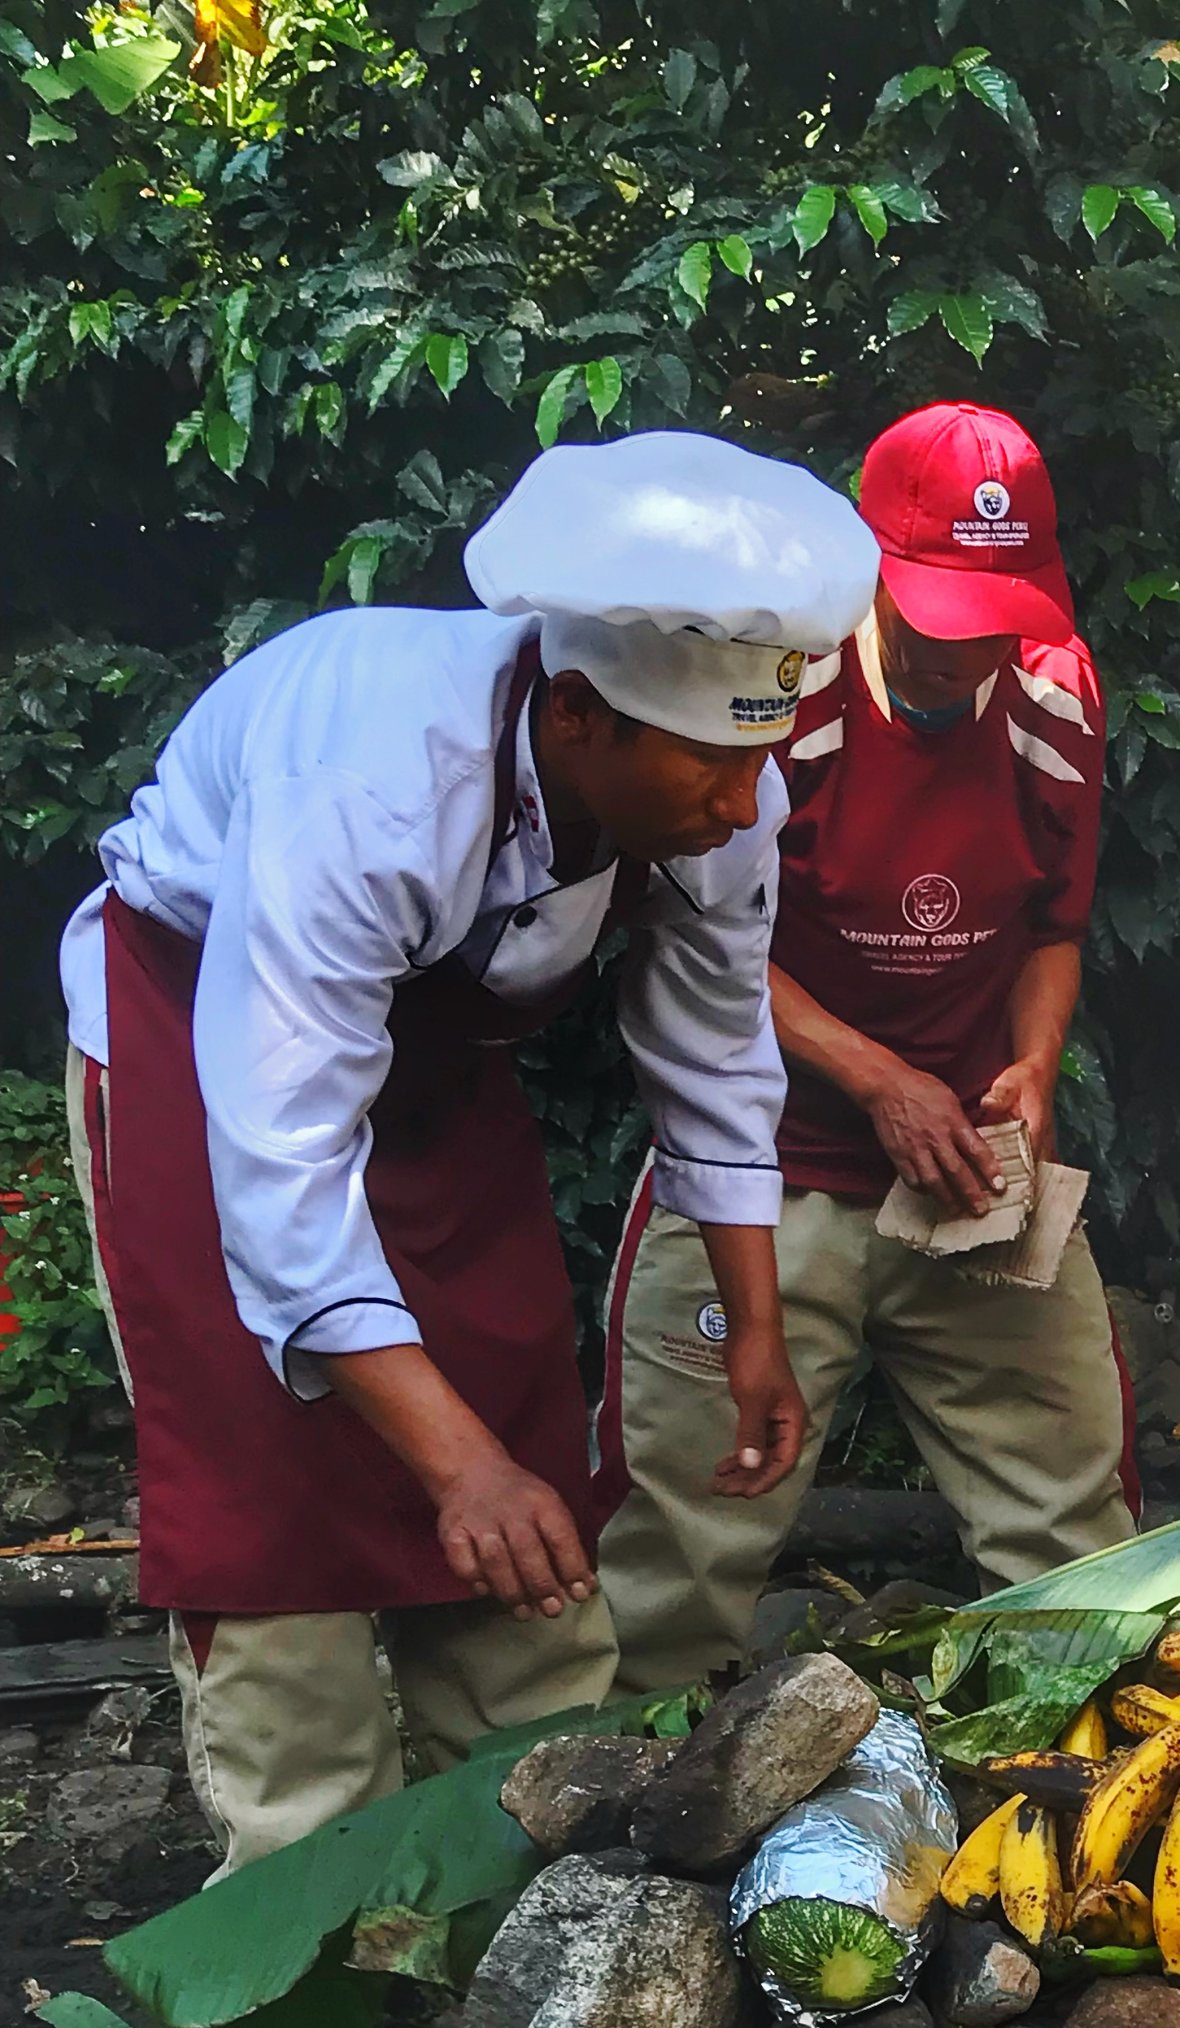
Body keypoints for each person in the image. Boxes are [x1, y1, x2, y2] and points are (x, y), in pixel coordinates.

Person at [57, 429, 877, 1871]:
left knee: (523, 1481)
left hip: (439, 1082)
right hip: (208, 1058)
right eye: (711, 762)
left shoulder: (720, 788)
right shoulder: (370, 782)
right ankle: (302, 1956)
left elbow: (714, 1043)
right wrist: (455, 1472)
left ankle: (523, 1895)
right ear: (578, 713)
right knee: (279, 1527)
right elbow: (284, 1153)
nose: (745, 802)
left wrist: (754, 1323)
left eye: (763, 756)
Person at [597, 400, 1135, 1688]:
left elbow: (1054, 921)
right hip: (764, 1164)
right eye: (937, 615)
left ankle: (1083, 1770)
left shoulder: (1056, 695)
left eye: (994, 619)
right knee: (682, 1539)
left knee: (1069, 1524)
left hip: (968, 1169)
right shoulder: (779, 691)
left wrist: (1035, 1066)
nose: (964, 655)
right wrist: (874, 1076)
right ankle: (615, 1823)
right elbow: (691, 935)